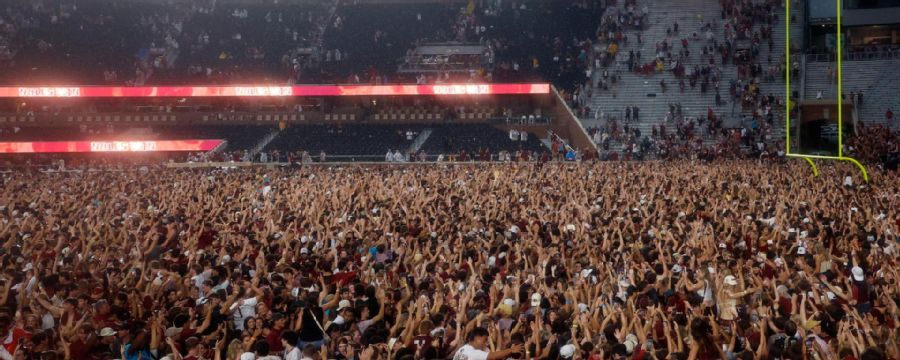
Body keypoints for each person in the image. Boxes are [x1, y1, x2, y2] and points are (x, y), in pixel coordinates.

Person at [452, 327, 523, 360]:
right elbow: (493, 356)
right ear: (477, 338)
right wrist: (511, 350)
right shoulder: (473, 352)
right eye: (485, 339)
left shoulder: (463, 349)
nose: (486, 343)